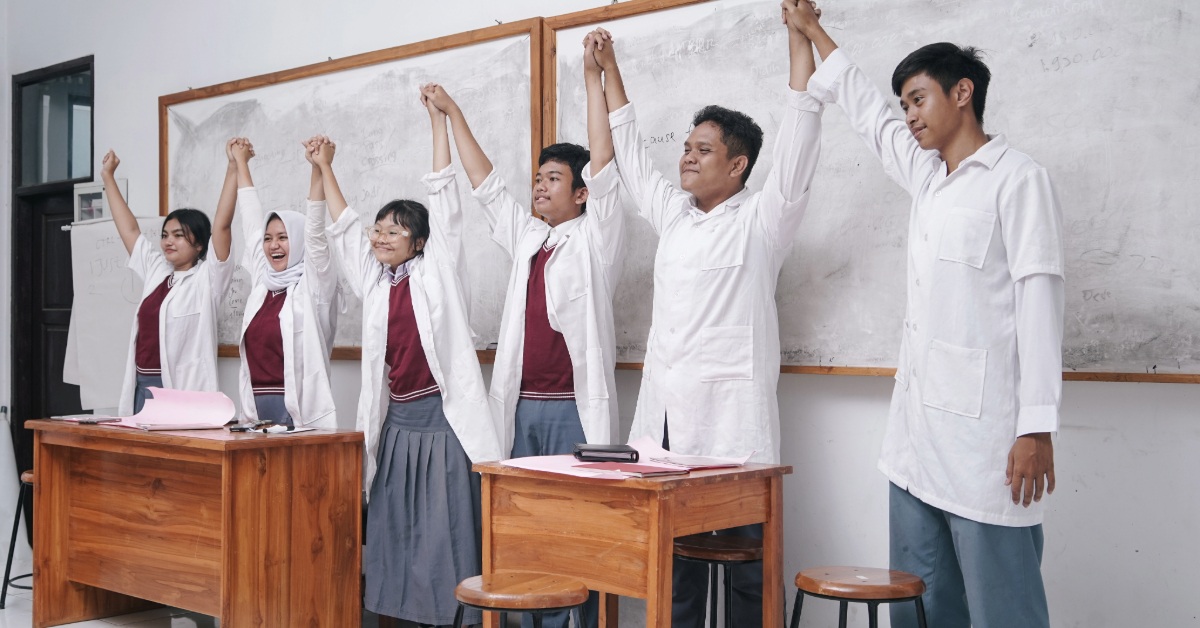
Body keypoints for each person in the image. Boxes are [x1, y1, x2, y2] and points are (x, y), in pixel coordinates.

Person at [785, 2, 1064, 627]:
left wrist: (1037, 427)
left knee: (1003, 605)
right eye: (905, 105)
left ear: (962, 93)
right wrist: (813, 32)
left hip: (986, 439)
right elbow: (865, 113)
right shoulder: (930, 177)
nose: (908, 117)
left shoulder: (1018, 181)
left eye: (917, 100)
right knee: (919, 600)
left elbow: (1041, 304)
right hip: (914, 441)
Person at [587, 3, 822, 625]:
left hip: (734, 430)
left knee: (745, 570)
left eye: (704, 150)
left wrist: (800, 42)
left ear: (738, 164)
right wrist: (611, 72)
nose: (687, 158)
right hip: (667, 424)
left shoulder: (762, 222)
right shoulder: (675, 216)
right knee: (675, 566)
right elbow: (631, 154)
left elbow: (800, 138)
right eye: (688, 148)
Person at [418, 42, 624, 628]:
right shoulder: (531, 238)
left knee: (573, 535)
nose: (538, 188)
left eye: (553, 179)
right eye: (537, 178)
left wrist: (594, 77)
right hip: (523, 410)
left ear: (581, 193)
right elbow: (485, 186)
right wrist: (453, 113)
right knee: (524, 536)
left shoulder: (597, 238)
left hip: (573, 415)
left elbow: (605, 163)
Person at [318, 89, 502, 626]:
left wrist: (439, 121)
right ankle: (399, 612)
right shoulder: (375, 284)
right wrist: (327, 168)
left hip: (444, 424)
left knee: (446, 529)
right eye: (380, 228)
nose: (381, 236)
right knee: (396, 525)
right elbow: (344, 227)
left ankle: (455, 616)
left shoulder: (439, 268)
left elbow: (444, 197)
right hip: (396, 425)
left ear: (420, 241)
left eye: (395, 230)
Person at [101, 143, 237, 415]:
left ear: (199, 244)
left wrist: (233, 167)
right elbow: (128, 229)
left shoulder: (207, 279)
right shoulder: (157, 272)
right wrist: (108, 178)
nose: (168, 241)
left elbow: (222, 225)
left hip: (182, 391)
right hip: (143, 386)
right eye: (165, 235)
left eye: (178, 235)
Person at [230, 136, 340, 428]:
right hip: (255, 412)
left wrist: (318, 167)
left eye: (283, 237)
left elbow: (314, 232)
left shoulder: (314, 285)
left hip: (298, 413)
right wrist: (241, 163)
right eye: (269, 239)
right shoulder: (263, 282)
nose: (273, 245)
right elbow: (251, 221)